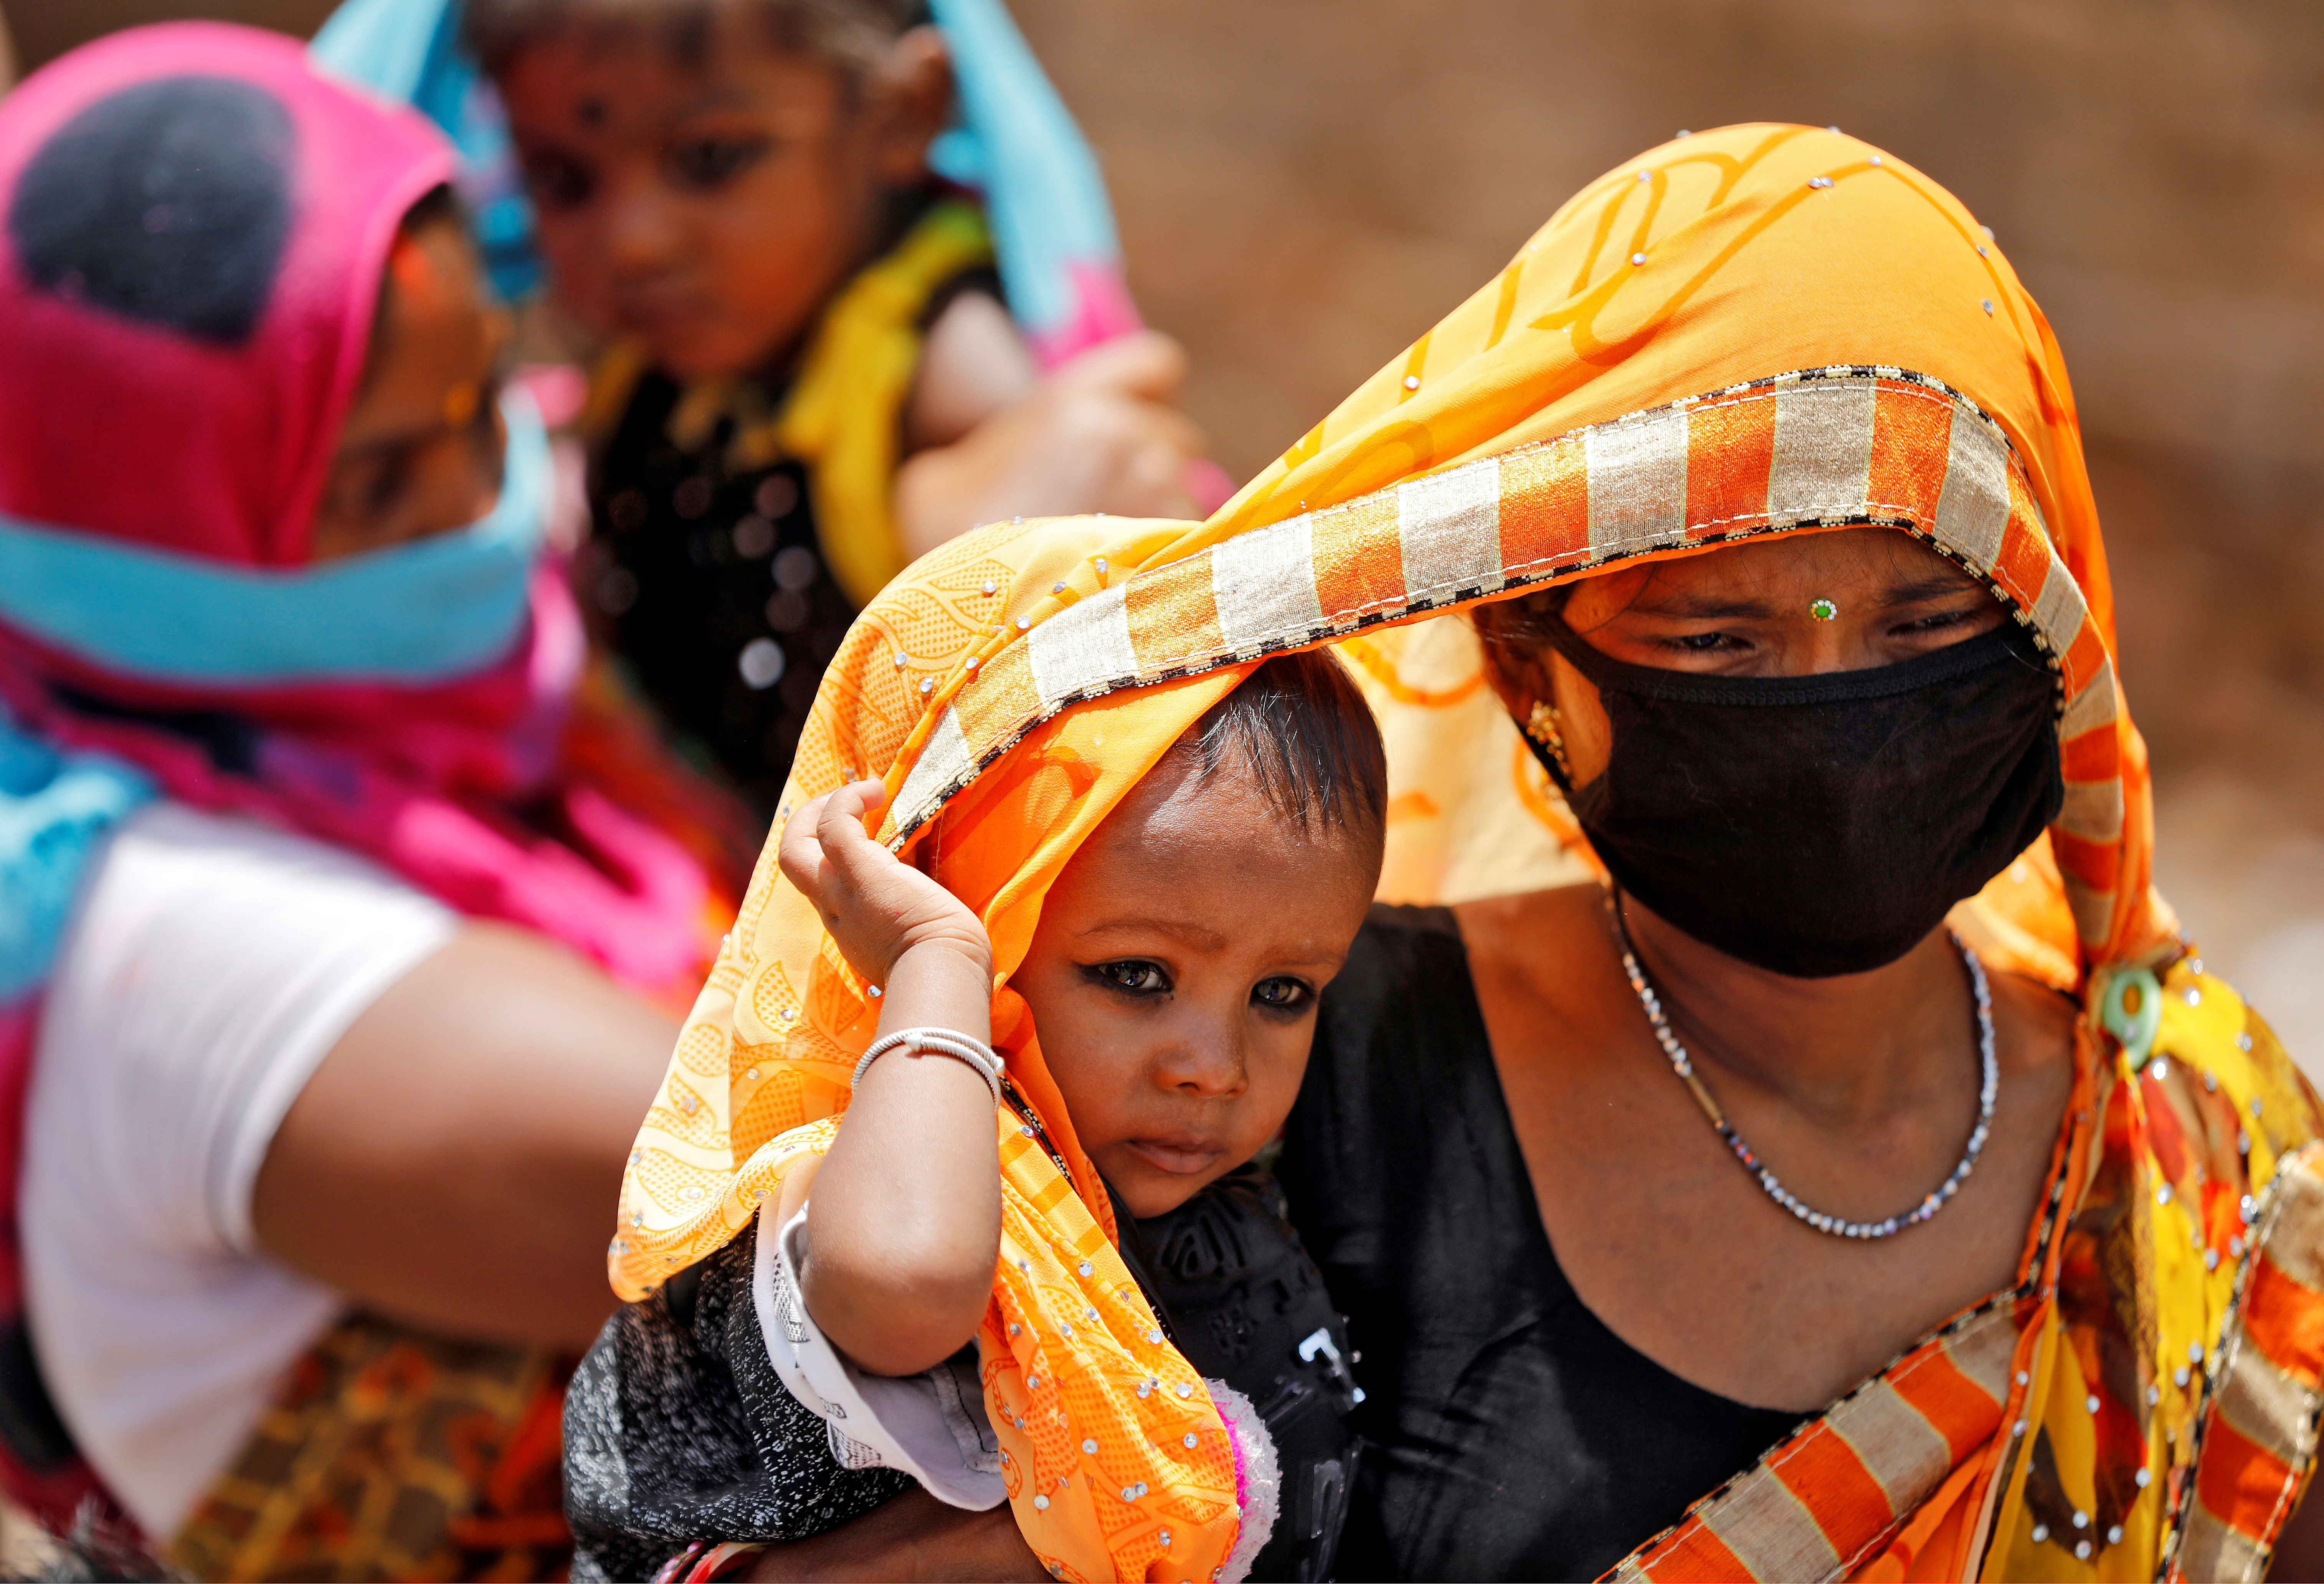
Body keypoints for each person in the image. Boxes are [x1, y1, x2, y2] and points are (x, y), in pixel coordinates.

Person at [693, 124, 2324, 1582]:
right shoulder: (1276, 1052)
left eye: (1922, 619)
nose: (1836, 699)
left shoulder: (2200, 1165)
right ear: (1533, 670)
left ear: (2052, 629)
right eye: (1721, 637)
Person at [0, 25, 748, 1579]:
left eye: (483, 402)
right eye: (380, 479)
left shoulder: (481, 710)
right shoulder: (163, 926)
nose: (489, 502)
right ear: (127, 517)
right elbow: (821, 1191)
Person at [571, 645, 1384, 1582]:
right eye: (1135, 975)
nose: (1215, 1066)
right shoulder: (879, 1161)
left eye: (1281, 992)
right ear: (978, 916)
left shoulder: (1213, 1192)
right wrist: (931, 963)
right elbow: (905, 1289)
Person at [438, 0, 1217, 817]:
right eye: (564, 179)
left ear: (902, 112)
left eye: (710, 158)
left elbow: (1020, 664)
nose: (635, 238)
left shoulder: (943, 365)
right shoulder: (672, 355)